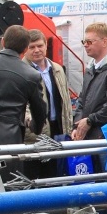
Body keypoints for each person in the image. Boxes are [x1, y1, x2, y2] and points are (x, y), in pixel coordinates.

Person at [22, 29, 73, 178]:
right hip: (34, 134)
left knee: (56, 177)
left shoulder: (58, 69)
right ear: (25, 49)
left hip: (58, 130)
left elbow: (66, 101)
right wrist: (31, 122)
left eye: (40, 46)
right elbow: (21, 105)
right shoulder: (21, 71)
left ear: (45, 45)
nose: (37, 50)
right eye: (32, 47)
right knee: (34, 178)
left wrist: (69, 128)